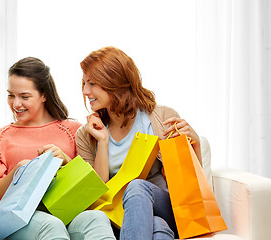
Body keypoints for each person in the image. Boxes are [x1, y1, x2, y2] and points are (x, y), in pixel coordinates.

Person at [75, 46, 202, 240]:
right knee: (158, 228)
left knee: (137, 187)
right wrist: (102, 142)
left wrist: (196, 144)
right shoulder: (86, 134)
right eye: (84, 83)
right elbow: (98, 196)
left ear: (115, 82)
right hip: (121, 218)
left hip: (165, 206)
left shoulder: (162, 117)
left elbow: (189, 184)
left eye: (92, 83)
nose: (85, 91)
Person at [0, 57, 116, 240]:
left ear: (43, 95)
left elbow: (94, 189)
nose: (16, 104)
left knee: (96, 218)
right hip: (19, 220)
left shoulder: (72, 130)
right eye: (11, 95)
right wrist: (20, 170)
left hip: (68, 212)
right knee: (51, 226)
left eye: (24, 97)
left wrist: (66, 160)